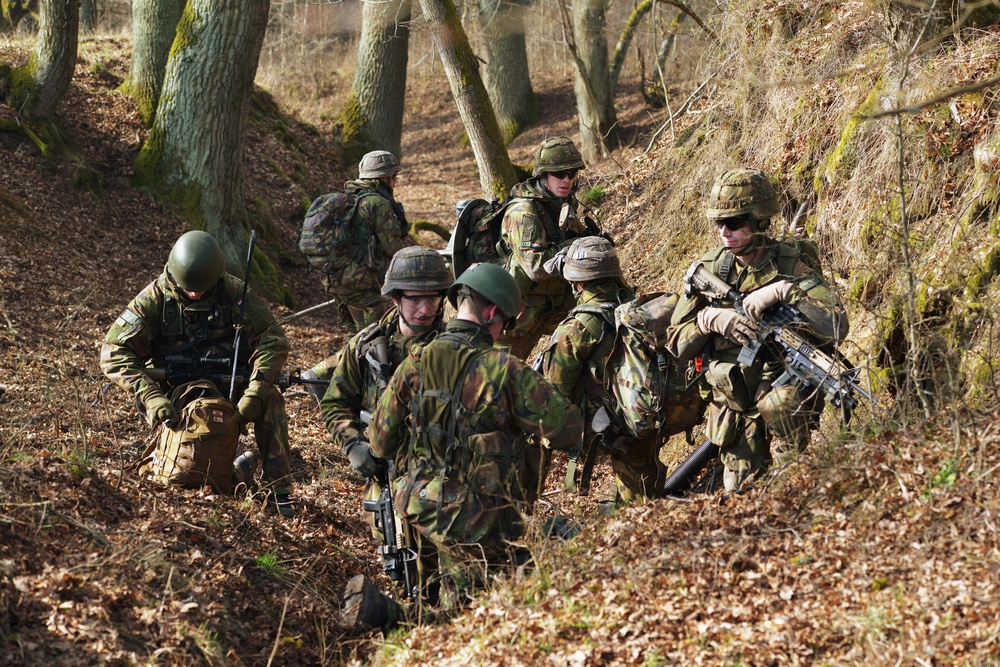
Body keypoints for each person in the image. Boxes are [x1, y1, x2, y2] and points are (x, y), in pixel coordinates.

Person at [367, 262, 584, 609]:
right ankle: (390, 617)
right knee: (469, 609)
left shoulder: (416, 360)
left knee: (428, 592)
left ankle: (414, 621)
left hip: (418, 504)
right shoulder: (506, 370)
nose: (502, 333)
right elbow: (567, 430)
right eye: (505, 325)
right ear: (494, 312)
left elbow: (379, 442)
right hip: (477, 518)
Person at [666, 168, 849, 492]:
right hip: (733, 401)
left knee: (788, 484)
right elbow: (676, 346)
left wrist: (783, 291)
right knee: (739, 492)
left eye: (734, 223)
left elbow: (835, 327)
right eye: (719, 223)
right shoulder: (711, 269)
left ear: (759, 219)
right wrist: (708, 320)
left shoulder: (792, 262)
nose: (725, 232)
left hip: (784, 392)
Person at [101, 231, 297, 516]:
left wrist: (255, 389)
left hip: (230, 385)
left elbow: (273, 339)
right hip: (173, 391)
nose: (195, 294)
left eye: (202, 289)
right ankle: (207, 470)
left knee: (271, 399)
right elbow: (113, 351)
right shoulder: (154, 299)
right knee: (182, 472)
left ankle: (280, 493)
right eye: (189, 289)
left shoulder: (232, 292)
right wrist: (150, 395)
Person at [320, 246, 452, 478]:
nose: (425, 309)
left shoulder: (455, 347)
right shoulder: (366, 345)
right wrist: (351, 444)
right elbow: (336, 403)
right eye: (415, 299)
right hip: (381, 470)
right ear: (395, 298)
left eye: (433, 298)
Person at [537, 236, 647, 500]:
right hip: (645, 413)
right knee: (641, 496)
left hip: (603, 427)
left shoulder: (576, 329)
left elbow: (554, 394)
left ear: (579, 282)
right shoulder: (638, 308)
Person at [304, 149, 413, 388]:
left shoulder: (347, 199)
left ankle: (347, 389)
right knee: (375, 341)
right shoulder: (377, 204)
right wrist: (401, 226)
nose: (394, 183)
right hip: (362, 286)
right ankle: (321, 375)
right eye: (393, 177)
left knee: (356, 340)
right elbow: (392, 247)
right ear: (383, 178)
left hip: (338, 283)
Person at [497, 136, 596, 359]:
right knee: (499, 375)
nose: (567, 179)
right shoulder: (523, 211)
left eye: (572, 173)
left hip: (559, 298)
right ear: (543, 175)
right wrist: (579, 246)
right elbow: (536, 266)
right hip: (523, 306)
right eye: (559, 174)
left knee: (596, 334)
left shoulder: (563, 202)